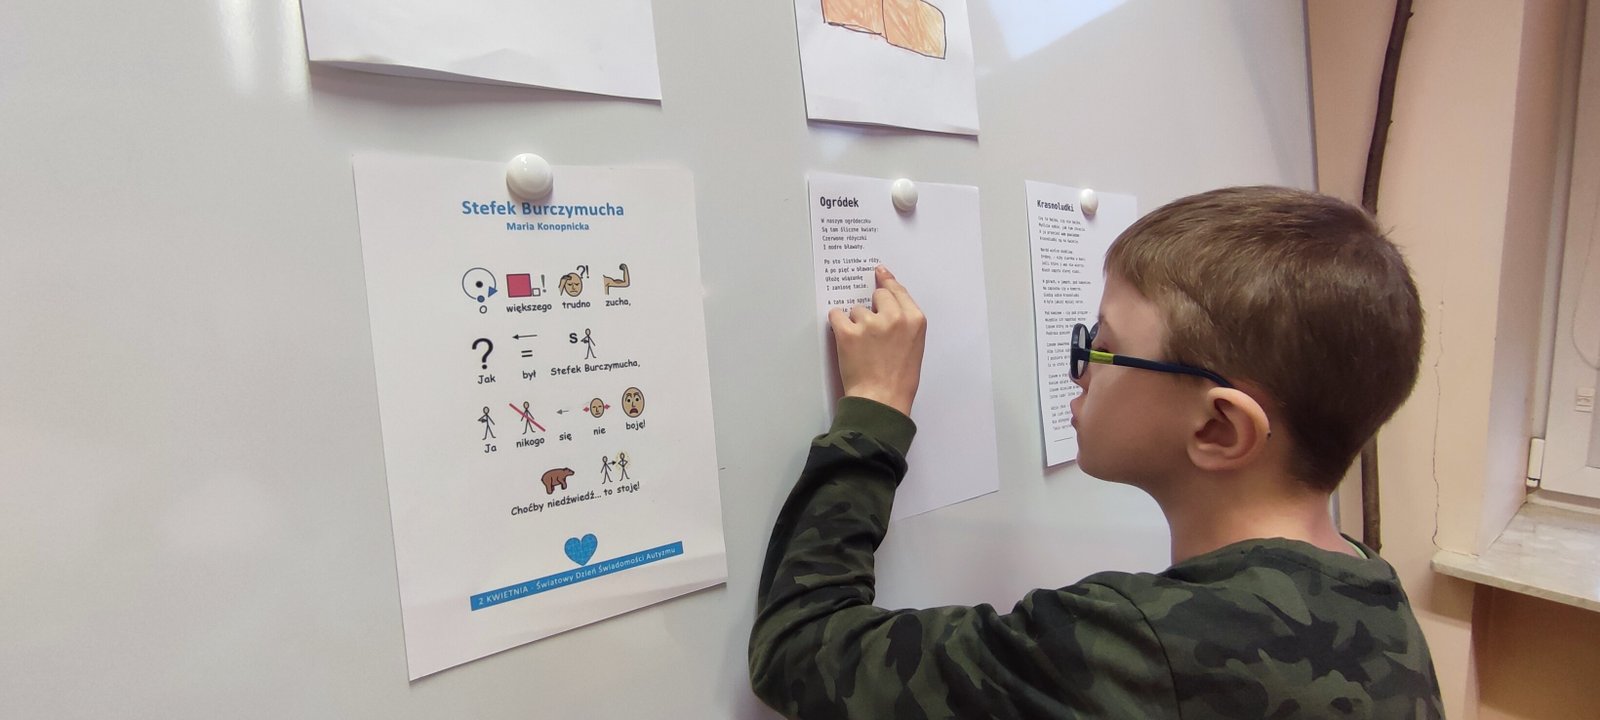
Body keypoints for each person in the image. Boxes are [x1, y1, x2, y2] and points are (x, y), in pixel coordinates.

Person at [748, 187, 1443, 718]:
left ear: (1219, 428)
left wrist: (875, 409)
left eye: (1104, 346)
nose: (1080, 369)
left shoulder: (1138, 646)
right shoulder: (1375, 592)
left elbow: (799, 647)